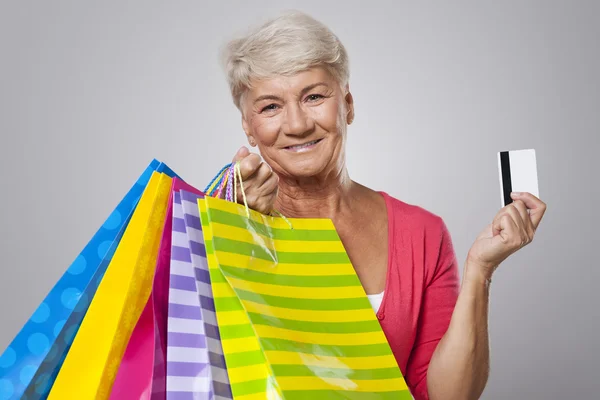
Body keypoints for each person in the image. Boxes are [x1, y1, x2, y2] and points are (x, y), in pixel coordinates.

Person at [218, 10, 547, 400]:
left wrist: (481, 268)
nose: (297, 124)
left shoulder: (422, 233)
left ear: (348, 104)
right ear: (248, 127)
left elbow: (448, 396)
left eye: (314, 97)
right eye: (270, 106)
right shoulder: (228, 223)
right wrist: (237, 227)